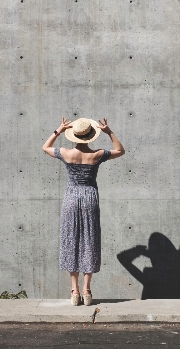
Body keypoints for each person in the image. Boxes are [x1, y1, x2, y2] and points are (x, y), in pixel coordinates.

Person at [42, 117, 125, 305]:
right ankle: (87, 290)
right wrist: (109, 131)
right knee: (89, 240)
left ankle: (74, 290)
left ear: (74, 137)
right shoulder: (97, 155)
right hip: (90, 198)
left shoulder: (65, 153)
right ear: (90, 137)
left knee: (72, 240)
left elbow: (45, 147)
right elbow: (120, 150)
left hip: (71, 198)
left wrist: (59, 130)